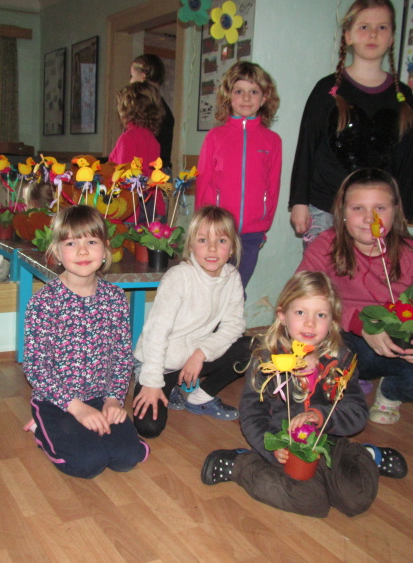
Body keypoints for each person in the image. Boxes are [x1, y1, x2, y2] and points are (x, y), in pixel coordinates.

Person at [201, 271, 407, 518]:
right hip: (286, 446)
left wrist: (320, 416)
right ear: (282, 316)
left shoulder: (340, 360)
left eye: (320, 315)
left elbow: (357, 413)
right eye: (300, 312)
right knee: (310, 502)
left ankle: (368, 456)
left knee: (356, 500)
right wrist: (270, 447)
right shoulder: (267, 361)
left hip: (330, 443)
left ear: (333, 321)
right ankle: (240, 464)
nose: (310, 323)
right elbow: (251, 415)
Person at [297, 168, 413, 424]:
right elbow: (300, 298)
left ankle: (391, 390)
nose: (369, 218)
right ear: (342, 212)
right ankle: (348, 382)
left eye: (380, 208)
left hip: (397, 341)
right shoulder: (325, 246)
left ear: (395, 211)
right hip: (343, 335)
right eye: (357, 208)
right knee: (311, 365)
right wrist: (359, 323)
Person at [22, 205, 148, 478]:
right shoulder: (44, 303)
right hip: (57, 402)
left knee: (127, 457)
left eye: (91, 242)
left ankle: (83, 428)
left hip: (100, 397)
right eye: (71, 243)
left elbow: (122, 357)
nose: (82, 251)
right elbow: (35, 368)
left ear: (105, 250)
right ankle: (41, 429)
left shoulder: (115, 298)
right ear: (57, 252)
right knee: (89, 464)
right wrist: (77, 408)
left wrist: (114, 400)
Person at [289, 0, 413, 247]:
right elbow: (307, 147)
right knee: (322, 272)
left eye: (382, 27)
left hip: (376, 212)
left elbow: (406, 157)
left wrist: (405, 210)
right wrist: (299, 202)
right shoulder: (326, 89)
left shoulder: (403, 95)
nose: (372, 34)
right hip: (325, 207)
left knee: (370, 272)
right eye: (364, 27)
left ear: (391, 38)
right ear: (348, 36)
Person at [132, 206, 251, 438]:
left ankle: (201, 397)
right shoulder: (178, 277)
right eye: (203, 240)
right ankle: (168, 387)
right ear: (191, 246)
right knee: (149, 428)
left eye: (221, 240)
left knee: (251, 347)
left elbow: (234, 325)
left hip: (193, 358)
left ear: (232, 248)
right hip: (162, 363)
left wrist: (201, 353)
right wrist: (152, 381)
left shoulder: (231, 277)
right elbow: (157, 332)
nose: (212, 248)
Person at [195, 61, 282, 288]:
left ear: (264, 98)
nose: (246, 98)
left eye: (254, 92)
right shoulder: (215, 137)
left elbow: (273, 187)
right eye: (239, 91)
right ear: (228, 96)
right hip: (217, 231)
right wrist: (201, 229)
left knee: (237, 289)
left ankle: (234, 314)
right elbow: (203, 183)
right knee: (212, 288)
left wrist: (263, 226)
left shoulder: (272, 141)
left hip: (252, 234)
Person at [109, 81, 166, 223]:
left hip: (131, 208)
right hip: (148, 204)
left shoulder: (127, 138)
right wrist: (160, 208)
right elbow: (156, 177)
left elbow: (126, 180)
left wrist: (127, 215)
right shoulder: (152, 139)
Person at [0, 181, 53, 282]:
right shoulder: (56, 221)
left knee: (8, 249)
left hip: (23, 282)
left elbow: (3, 265)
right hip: (48, 280)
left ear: (32, 203)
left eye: (24, 201)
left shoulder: (23, 223)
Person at [130, 53, 174, 169]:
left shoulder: (145, 109)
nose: (130, 81)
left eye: (132, 76)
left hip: (150, 171)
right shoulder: (163, 108)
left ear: (143, 76)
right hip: (160, 170)